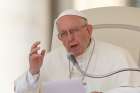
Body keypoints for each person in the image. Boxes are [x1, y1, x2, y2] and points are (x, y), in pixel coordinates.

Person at [14, 9, 138, 93]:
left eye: (74, 31)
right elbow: (20, 91)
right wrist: (33, 71)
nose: (70, 38)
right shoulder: (49, 59)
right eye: (63, 34)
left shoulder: (118, 56)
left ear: (89, 30)